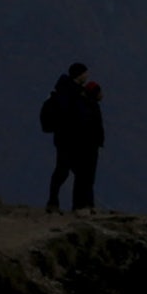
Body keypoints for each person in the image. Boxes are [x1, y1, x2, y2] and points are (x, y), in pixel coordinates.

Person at [45, 61, 105, 215]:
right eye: (85, 72)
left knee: (70, 172)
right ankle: (62, 204)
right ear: (80, 74)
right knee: (66, 171)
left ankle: (71, 204)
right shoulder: (71, 93)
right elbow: (75, 118)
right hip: (69, 140)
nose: (87, 75)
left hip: (69, 139)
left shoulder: (70, 91)